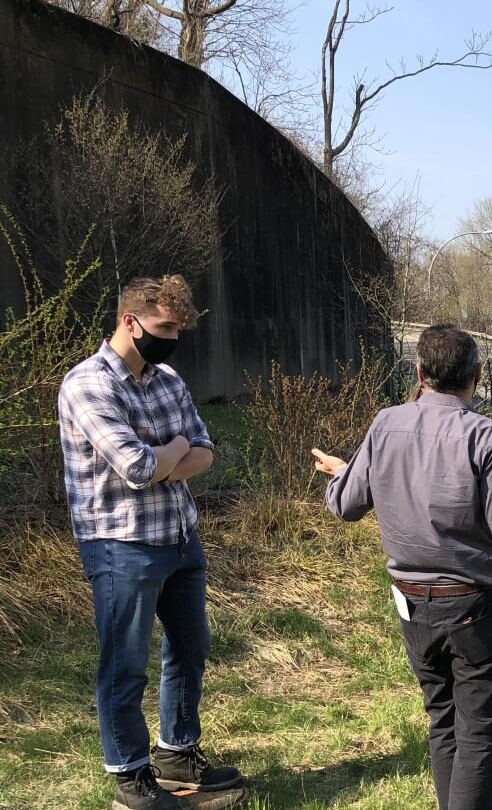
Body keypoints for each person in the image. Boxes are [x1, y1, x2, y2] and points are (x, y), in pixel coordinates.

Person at [312, 324, 492, 810]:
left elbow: (345, 505)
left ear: (421, 373)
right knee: (476, 737)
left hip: (412, 603)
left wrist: (343, 472)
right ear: (476, 375)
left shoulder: (386, 424)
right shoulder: (487, 436)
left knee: (443, 721)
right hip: (473, 608)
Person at [57, 275, 244, 810]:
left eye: (178, 328)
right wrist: (176, 449)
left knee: (191, 648)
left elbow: (205, 451)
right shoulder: (88, 385)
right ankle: (130, 776)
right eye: (164, 327)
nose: (171, 338)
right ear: (129, 321)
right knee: (125, 663)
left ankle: (177, 753)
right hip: (121, 545)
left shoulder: (168, 380)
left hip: (181, 536)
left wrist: (174, 452)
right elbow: (136, 467)